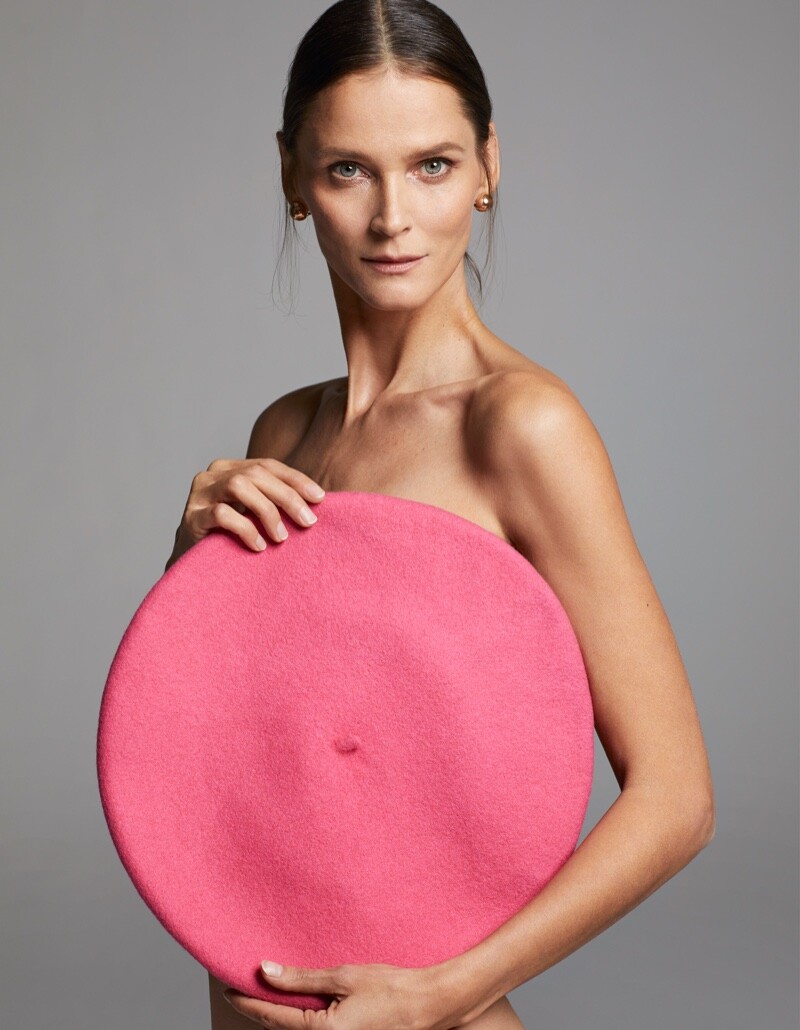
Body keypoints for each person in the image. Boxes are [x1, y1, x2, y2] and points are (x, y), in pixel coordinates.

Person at [164, 1, 716, 1027]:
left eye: (431, 165)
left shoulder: (519, 427)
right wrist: (185, 545)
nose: (392, 218)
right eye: (348, 170)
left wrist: (443, 994)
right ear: (291, 176)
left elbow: (676, 797)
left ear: (487, 167)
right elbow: (207, 753)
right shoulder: (283, 431)